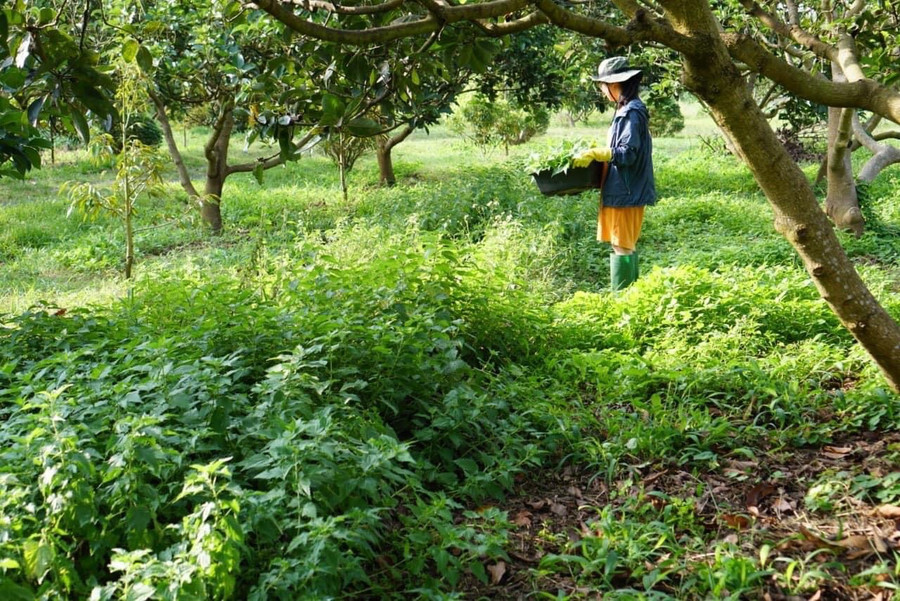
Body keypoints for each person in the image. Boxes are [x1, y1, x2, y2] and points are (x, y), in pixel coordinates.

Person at [573, 56, 656, 291]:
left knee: (623, 245)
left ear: (614, 84)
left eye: (602, 85)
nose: (601, 90)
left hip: (626, 191)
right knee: (621, 244)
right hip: (621, 189)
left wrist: (598, 153)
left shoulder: (632, 112)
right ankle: (627, 297)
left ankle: (624, 301)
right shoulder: (625, 110)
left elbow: (628, 153)